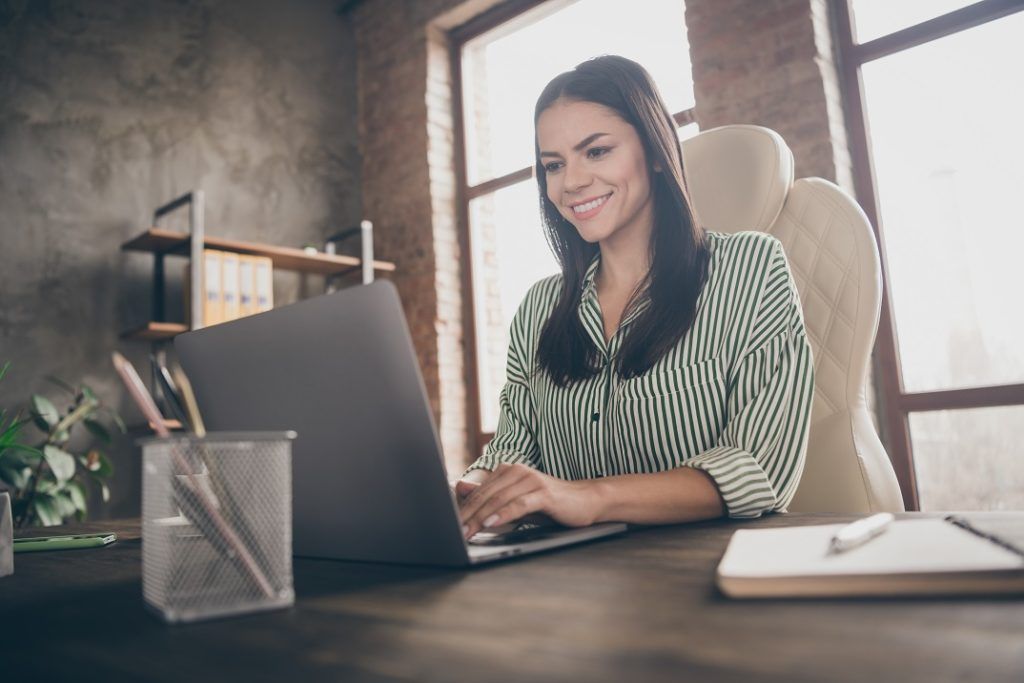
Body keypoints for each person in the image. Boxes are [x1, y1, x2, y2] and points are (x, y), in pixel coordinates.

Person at [456, 55, 814, 541]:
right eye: (554, 165)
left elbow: (760, 468)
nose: (572, 181)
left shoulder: (751, 268)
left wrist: (589, 497)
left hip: (715, 576)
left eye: (597, 151)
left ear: (655, 151)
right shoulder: (539, 308)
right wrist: (473, 489)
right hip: (573, 586)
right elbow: (514, 451)